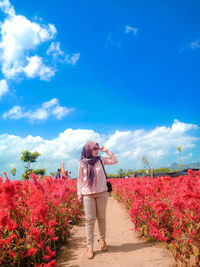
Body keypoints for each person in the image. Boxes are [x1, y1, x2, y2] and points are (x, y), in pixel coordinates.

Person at [77, 141, 117, 259]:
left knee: (101, 218)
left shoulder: (101, 159)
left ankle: (102, 241)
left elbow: (114, 161)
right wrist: (79, 194)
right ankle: (90, 247)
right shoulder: (82, 163)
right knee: (89, 220)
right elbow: (80, 180)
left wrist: (107, 151)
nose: (96, 150)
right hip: (88, 194)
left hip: (102, 193)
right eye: (94, 148)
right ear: (88, 149)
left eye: (97, 148)